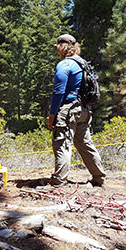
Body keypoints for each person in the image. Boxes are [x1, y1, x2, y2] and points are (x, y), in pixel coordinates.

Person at [47, 34, 106, 187]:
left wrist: (52, 114)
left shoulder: (65, 65)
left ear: (61, 46)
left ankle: (59, 180)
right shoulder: (82, 63)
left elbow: (58, 91)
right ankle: (98, 177)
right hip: (84, 109)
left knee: (62, 143)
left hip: (69, 109)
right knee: (85, 144)